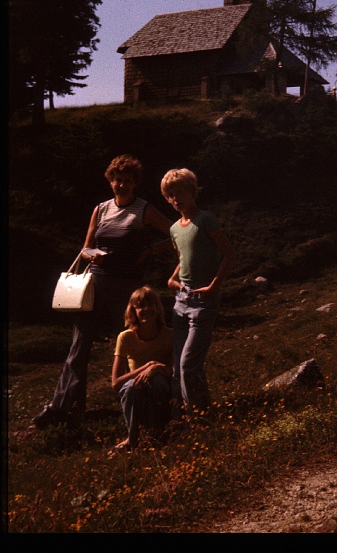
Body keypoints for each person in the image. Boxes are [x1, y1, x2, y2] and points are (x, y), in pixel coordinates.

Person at [31, 154, 172, 430]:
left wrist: (150, 251)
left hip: (127, 288)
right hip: (95, 284)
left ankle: (146, 402)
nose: (122, 185)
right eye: (117, 179)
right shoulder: (100, 209)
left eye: (128, 181)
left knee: (138, 341)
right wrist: (93, 255)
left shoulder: (144, 210)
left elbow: (175, 232)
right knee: (78, 347)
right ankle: (64, 409)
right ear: (110, 181)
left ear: (136, 184)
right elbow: (85, 247)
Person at [160, 168, 235, 419]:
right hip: (182, 300)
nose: (176, 199)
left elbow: (228, 253)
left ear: (193, 191)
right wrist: (172, 279)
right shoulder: (174, 229)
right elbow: (183, 258)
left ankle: (195, 422)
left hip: (204, 300)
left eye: (180, 192)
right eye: (170, 195)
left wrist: (215, 286)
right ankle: (200, 415)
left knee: (188, 365)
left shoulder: (205, 220)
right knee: (181, 368)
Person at [111, 285, 173, 451]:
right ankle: (133, 438)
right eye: (140, 306)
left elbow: (175, 371)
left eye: (150, 305)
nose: (146, 309)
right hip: (136, 382)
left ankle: (158, 433)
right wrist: (148, 366)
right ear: (133, 311)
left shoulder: (169, 335)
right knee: (131, 388)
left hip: (162, 380)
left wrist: (156, 368)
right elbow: (116, 383)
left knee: (158, 381)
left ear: (157, 308)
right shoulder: (126, 337)